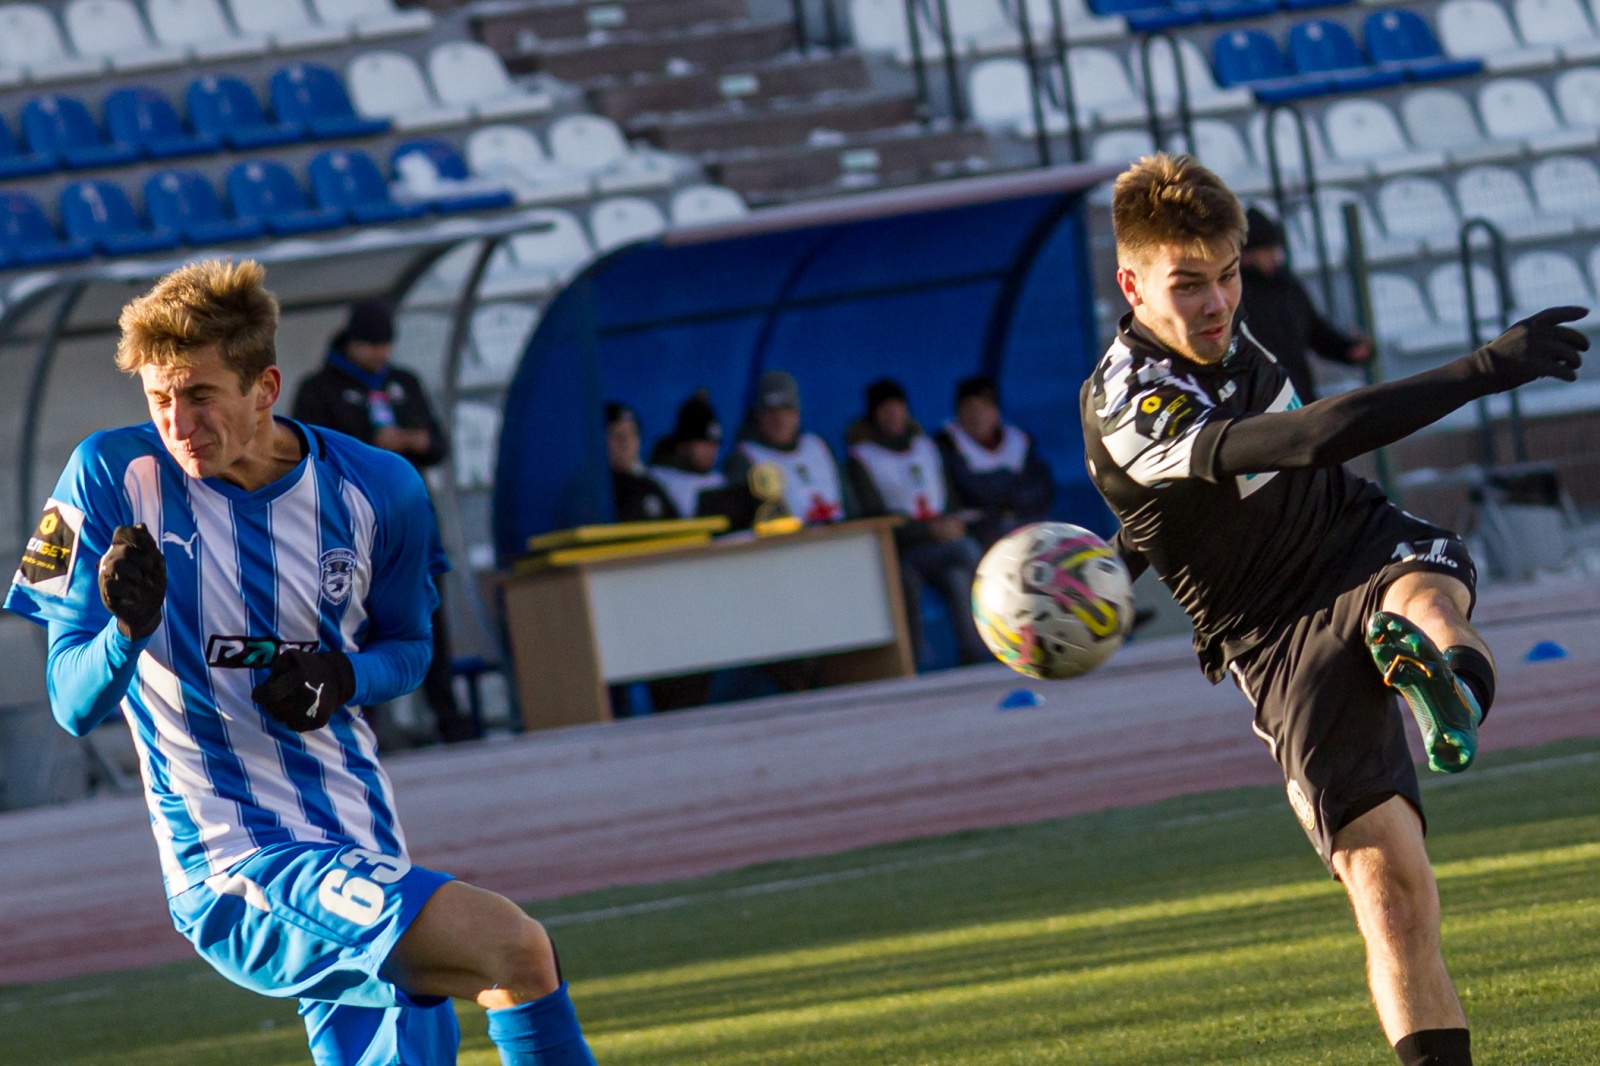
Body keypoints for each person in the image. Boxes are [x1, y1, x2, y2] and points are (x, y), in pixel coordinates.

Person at [5, 260, 598, 1066]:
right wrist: (125, 630)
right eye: (158, 399)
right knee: (516, 951)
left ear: (265, 386)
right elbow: (71, 702)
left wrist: (343, 676)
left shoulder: (380, 490)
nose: (178, 423)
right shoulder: (108, 476)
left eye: (200, 395)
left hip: (362, 840)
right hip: (235, 864)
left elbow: (411, 649)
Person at [1082, 153, 1585, 1066]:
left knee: (1423, 588)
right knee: (1389, 892)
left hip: (1352, 539)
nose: (1217, 303)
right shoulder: (1131, 402)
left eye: (1227, 276)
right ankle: (1443, 678)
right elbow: (1312, 434)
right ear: (1132, 284)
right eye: (1188, 284)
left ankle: (1453, 692)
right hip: (1271, 636)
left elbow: (1212, 492)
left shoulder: (1237, 327)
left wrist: (1116, 555)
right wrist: (1483, 368)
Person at [292, 299, 476, 744]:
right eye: (371, 346)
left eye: (385, 345)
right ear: (352, 343)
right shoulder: (320, 389)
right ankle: (364, 726)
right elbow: (308, 453)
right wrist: (372, 443)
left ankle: (448, 717)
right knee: (356, 625)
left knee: (427, 620)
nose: (380, 355)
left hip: (409, 527)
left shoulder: (403, 382)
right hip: (351, 531)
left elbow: (439, 444)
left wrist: (418, 440)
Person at [846, 378, 989, 666]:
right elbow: (872, 517)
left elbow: (949, 502)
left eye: (898, 408)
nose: (893, 416)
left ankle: (976, 654)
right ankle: (916, 661)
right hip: (902, 549)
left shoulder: (926, 448)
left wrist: (951, 523)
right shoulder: (862, 458)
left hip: (939, 545)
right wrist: (929, 531)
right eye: (885, 410)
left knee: (958, 578)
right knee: (966, 551)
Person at [1238, 205, 1372, 401]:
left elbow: (1315, 331)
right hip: (1260, 404)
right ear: (1246, 253)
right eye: (1267, 250)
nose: (1275, 256)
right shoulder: (1234, 296)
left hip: (1300, 396)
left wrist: (1347, 349)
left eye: (1276, 249)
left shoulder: (1286, 285)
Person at [934, 374, 1054, 548]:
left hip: (1024, 525)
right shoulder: (944, 447)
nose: (977, 417)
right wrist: (1008, 485)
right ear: (958, 413)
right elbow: (971, 492)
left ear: (996, 411)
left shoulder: (1020, 442)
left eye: (983, 408)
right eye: (969, 409)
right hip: (976, 533)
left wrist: (1006, 498)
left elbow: (1042, 490)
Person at [724, 370, 851, 525]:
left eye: (787, 409)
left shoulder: (818, 445)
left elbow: (853, 506)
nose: (780, 419)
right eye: (771, 411)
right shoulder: (744, 459)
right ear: (757, 416)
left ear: (797, 414)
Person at [648, 391, 729, 519]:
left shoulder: (718, 480)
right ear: (683, 445)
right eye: (703, 443)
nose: (711, 451)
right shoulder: (657, 480)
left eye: (714, 444)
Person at [605, 401, 676, 521]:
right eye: (617, 435)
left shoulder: (648, 485)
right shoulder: (595, 488)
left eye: (632, 434)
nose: (625, 443)